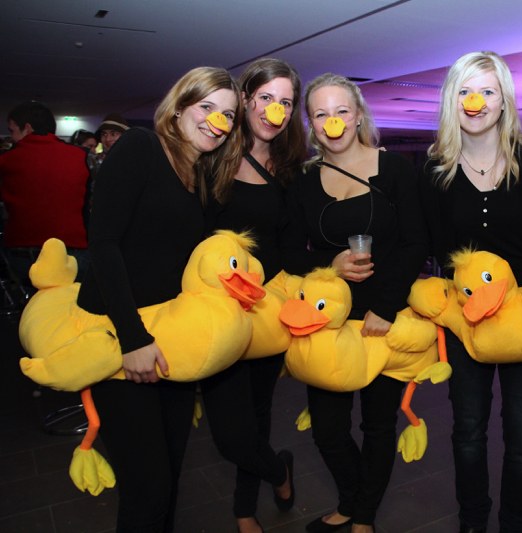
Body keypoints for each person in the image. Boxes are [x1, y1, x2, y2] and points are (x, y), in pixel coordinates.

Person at [75, 66, 242, 531]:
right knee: (146, 490)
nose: (216, 121)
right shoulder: (141, 147)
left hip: (168, 340)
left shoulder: (203, 176)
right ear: (179, 107)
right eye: (206, 106)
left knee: (168, 479)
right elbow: (104, 244)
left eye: (228, 115)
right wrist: (133, 338)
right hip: (122, 337)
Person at [418, 51, 522, 533]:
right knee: (468, 431)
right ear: (451, 100)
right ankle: (472, 521)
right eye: (465, 91)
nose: (476, 102)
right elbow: (428, 246)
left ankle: (515, 524)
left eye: (488, 91)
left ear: (505, 100)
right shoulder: (435, 170)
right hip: (466, 321)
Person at [281, 73, 428, 533]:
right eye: (321, 114)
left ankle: (363, 515)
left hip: (383, 317)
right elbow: (289, 252)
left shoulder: (395, 169)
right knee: (328, 429)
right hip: (328, 325)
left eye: (342, 111)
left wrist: (386, 306)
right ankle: (351, 496)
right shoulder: (303, 180)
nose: (333, 122)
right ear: (310, 123)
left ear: (359, 115)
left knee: (378, 425)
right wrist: (330, 263)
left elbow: (415, 242)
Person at [201, 58, 307, 533]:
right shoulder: (211, 156)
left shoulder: (289, 170)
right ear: (244, 99)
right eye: (265, 97)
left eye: (285, 101)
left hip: (265, 311)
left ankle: (244, 509)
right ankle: (278, 471)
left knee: (258, 415)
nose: (273, 111)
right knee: (229, 435)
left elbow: (291, 248)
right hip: (216, 311)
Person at [0, 101, 91, 286]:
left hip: (24, 252)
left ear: (27, 128)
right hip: (72, 251)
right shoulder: (81, 157)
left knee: (28, 302)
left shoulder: (7, 160)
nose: (12, 137)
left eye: (12, 130)